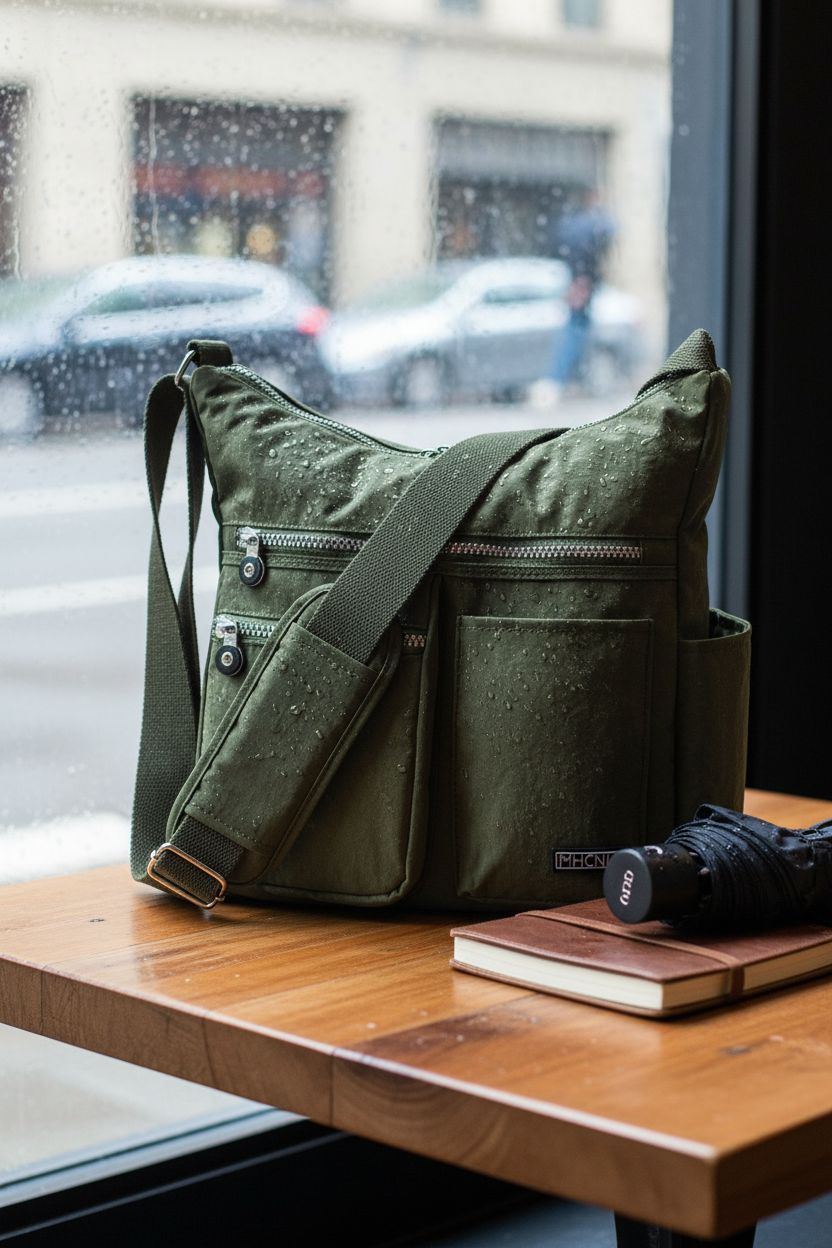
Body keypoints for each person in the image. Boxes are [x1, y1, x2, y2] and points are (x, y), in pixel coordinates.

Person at [531, 189, 615, 407]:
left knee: (579, 330)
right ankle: (556, 381)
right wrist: (584, 278)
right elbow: (605, 235)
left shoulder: (571, 227)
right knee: (576, 332)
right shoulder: (591, 226)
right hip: (582, 282)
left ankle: (569, 380)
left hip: (579, 281)